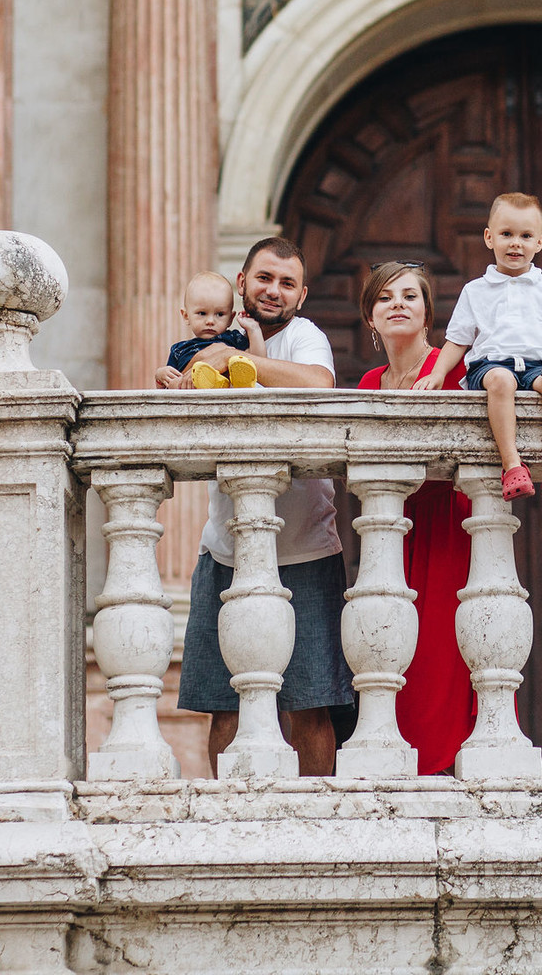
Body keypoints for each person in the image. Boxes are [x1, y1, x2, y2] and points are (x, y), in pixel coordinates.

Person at [361, 260, 542, 774]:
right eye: (384, 298)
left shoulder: (457, 368)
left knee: (446, 652)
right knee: (393, 649)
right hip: (397, 532)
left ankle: (443, 764)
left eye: (410, 296)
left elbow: (526, 387)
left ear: (428, 312)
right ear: (370, 317)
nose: (397, 304)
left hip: (454, 528)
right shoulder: (371, 380)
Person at [177, 237, 352, 776]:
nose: (273, 291)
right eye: (264, 279)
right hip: (224, 547)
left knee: (310, 705)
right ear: (242, 283)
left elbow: (319, 383)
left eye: (286, 283)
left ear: (302, 294)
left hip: (307, 550)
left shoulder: (306, 337)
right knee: (224, 707)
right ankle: (231, 819)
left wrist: (243, 359)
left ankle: (317, 824)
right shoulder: (210, 339)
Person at [416, 192, 542, 502]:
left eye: (525, 236)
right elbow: (458, 340)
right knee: (501, 381)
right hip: (490, 366)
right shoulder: (475, 290)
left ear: (540, 242)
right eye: (507, 234)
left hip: (536, 367)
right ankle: (511, 465)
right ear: (489, 238)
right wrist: (438, 374)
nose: (516, 243)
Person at [154, 270, 266, 389]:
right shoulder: (180, 350)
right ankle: (212, 382)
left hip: (230, 395)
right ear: (186, 316)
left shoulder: (235, 339)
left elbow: (258, 359)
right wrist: (160, 375)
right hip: (193, 398)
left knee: (243, 363)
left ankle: (240, 384)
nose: (210, 321)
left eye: (220, 314)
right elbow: (164, 390)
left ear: (230, 318)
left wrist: (254, 329)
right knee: (174, 383)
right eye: (202, 313)